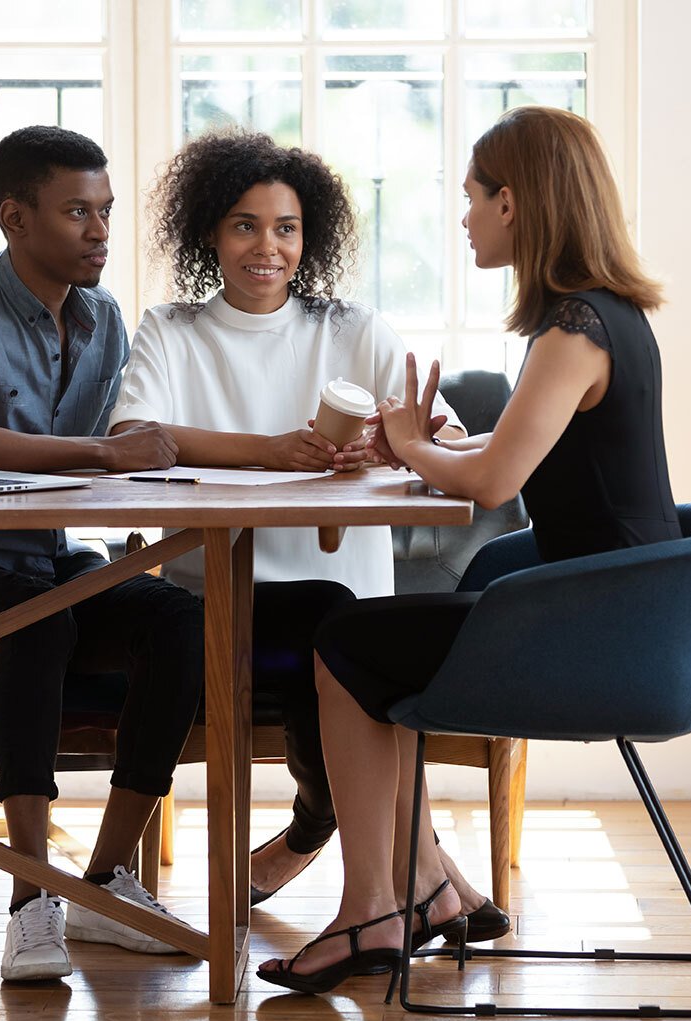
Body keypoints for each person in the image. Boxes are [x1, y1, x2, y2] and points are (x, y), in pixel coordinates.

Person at [257, 105, 681, 994]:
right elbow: (495, 459)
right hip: (620, 615)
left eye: (472, 199)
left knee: (345, 643)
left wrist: (413, 445)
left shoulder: (575, 332)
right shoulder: (607, 318)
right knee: (373, 641)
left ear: (514, 203)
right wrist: (415, 448)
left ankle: (379, 907)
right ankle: (415, 893)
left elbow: (493, 484)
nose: (464, 218)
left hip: (600, 633)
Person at [0, 126, 205, 983]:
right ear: (15, 218)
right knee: (41, 620)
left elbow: (128, 440)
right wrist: (98, 457)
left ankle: (104, 883)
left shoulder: (104, 318)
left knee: (181, 620)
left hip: (49, 565)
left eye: (105, 212)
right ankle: (31, 897)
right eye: (76, 213)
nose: (100, 232)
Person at [108, 128, 469, 906]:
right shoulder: (172, 331)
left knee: (342, 631)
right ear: (209, 232)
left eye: (286, 227)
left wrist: (389, 442)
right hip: (217, 600)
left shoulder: (352, 330)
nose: (266, 246)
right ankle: (426, 879)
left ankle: (370, 859)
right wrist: (266, 450)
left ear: (311, 237)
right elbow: (132, 441)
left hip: (347, 597)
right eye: (244, 225)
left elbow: (451, 435)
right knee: (331, 633)